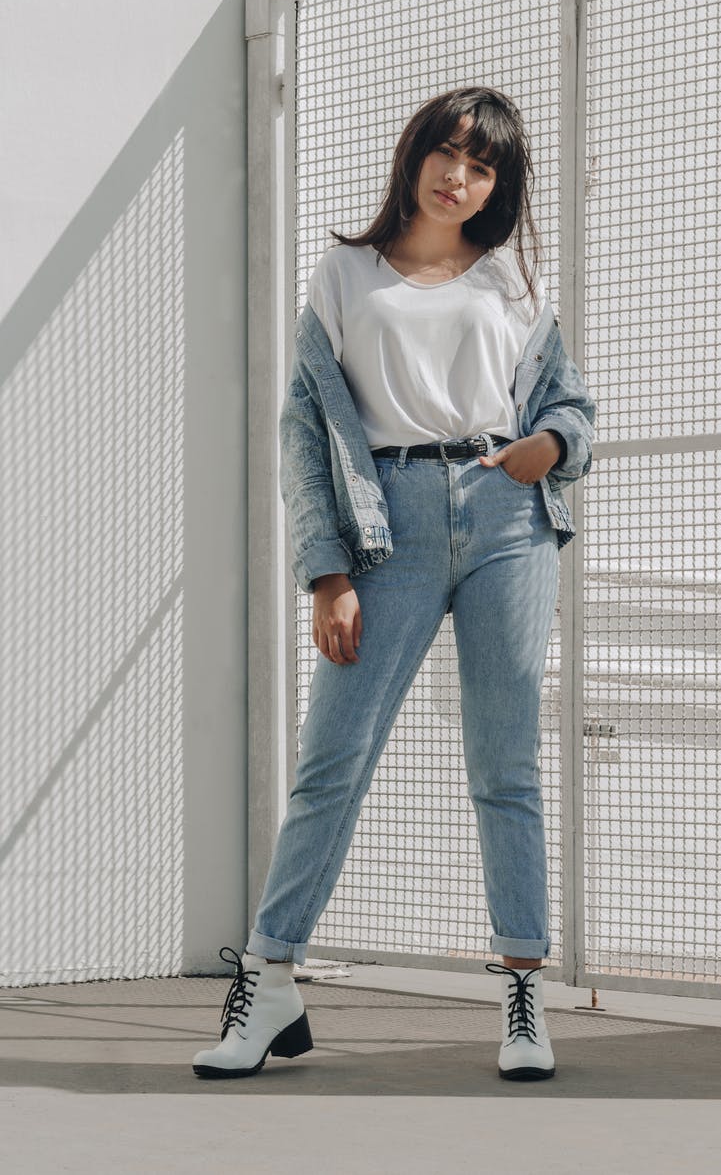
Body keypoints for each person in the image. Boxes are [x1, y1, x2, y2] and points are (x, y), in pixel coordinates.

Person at [193, 86, 597, 1084]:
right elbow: (303, 432)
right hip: (388, 526)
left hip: (506, 517)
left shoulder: (512, 281)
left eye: (482, 165)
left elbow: (569, 405)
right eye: (446, 153)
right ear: (415, 155)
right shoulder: (344, 274)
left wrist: (550, 444)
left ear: (499, 186)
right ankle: (270, 980)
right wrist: (325, 570)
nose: (458, 176)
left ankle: (521, 994)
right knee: (332, 758)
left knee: (505, 765)